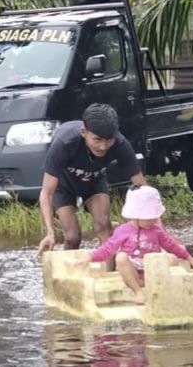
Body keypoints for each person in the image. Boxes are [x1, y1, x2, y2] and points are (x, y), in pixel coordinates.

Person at [36, 103, 147, 258]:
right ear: (84, 132)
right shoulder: (64, 143)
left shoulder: (120, 143)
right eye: (97, 140)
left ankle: (110, 270)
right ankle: (70, 270)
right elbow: (47, 193)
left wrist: (156, 227)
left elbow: (143, 189)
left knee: (104, 226)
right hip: (64, 184)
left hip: (95, 181)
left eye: (108, 140)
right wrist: (49, 232)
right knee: (72, 237)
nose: (103, 146)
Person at [74, 185, 193, 305]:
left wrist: (188, 257)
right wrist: (90, 257)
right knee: (121, 258)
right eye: (149, 218)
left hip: (151, 268)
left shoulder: (156, 230)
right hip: (133, 270)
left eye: (154, 218)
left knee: (172, 258)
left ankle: (156, 284)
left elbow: (171, 245)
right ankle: (137, 291)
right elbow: (108, 248)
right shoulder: (123, 231)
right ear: (136, 216)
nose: (153, 221)